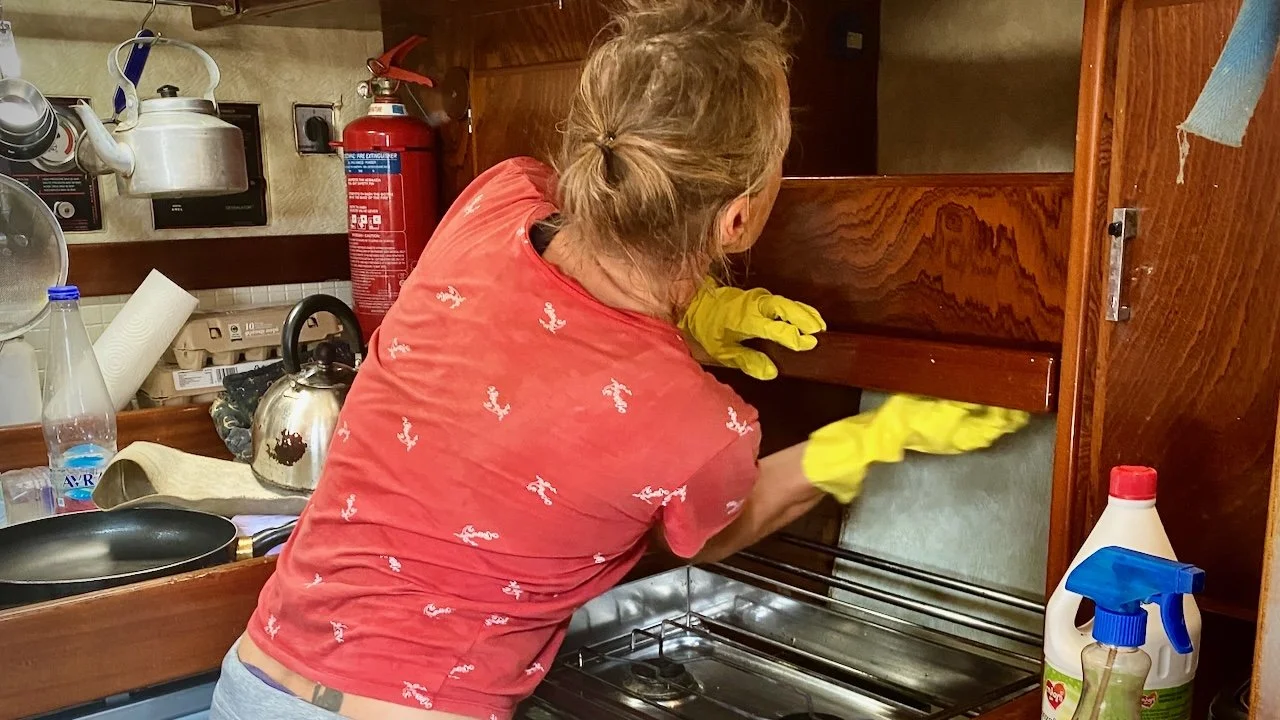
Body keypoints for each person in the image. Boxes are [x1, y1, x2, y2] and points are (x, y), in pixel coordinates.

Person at [210, 2, 1029, 719]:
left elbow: (537, 338)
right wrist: (868, 441)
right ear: (737, 220)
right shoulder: (701, 424)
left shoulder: (495, 201)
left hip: (253, 679)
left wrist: (692, 317)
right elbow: (716, 531)